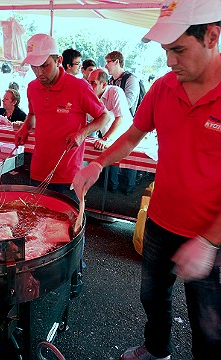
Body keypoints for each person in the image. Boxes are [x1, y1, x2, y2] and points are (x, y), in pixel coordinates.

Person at [72, 1, 221, 358]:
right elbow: (132, 136)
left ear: (212, 36)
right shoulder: (164, 87)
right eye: (166, 51)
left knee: (210, 323)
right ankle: (157, 350)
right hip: (161, 220)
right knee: (153, 296)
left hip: (212, 236)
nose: (169, 61)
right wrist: (97, 164)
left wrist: (209, 242)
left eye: (179, 50)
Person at [15, 33, 109, 298]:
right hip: (39, 169)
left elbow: (105, 116)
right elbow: (33, 114)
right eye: (34, 66)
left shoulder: (79, 87)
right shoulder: (33, 87)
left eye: (44, 65)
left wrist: (83, 133)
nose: (39, 73)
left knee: (71, 229)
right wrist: (24, 128)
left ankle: (75, 272)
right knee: (37, 225)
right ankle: (44, 275)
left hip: (68, 172)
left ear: (58, 60)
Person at [87, 68, 133, 193]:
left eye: (93, 83)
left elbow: (120, 119)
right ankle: (110, 191)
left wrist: (105, 138)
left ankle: (127, 194)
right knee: (110, 170)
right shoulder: (91, 96)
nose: (89, 86)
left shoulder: (115, 92)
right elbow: (91, 120)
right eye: (88, 82)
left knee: (129, 170)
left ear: (104, 84)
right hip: (107, 136)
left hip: (127, 135)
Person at [105, 50, 139, 193]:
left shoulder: (131, 79)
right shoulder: (110, 81)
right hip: (113, 122)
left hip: (128, 124)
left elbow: (129, 103)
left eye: (108, 62)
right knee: (112, 152)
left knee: (129, 153)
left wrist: (112, 107)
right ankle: (112, 185)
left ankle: (129, 188)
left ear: (117, 61)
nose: (106, 66)